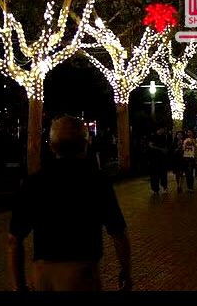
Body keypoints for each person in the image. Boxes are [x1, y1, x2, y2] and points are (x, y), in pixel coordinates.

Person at [7, 116, 132, 292]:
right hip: (80, 275)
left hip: (42, 275)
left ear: (52, 146)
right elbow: (118, 233)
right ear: (85, 144)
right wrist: (126, 271)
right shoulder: (96, 182)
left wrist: (19, 286)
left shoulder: (34, 183)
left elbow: (14, 240)